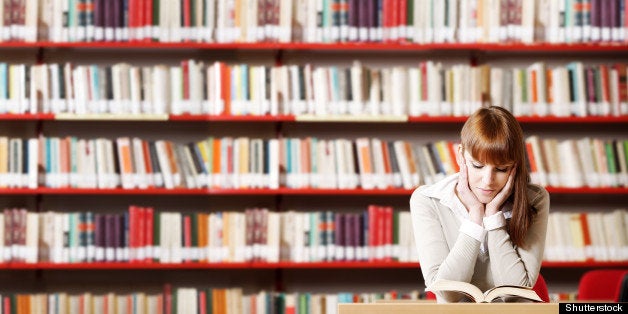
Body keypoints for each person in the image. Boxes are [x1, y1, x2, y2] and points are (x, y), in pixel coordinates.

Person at [410, 106, 549, 303]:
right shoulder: (428, 200)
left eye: (501, 169)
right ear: (460, 155)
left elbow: (515, 293)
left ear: (515, 166)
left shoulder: (535, 199)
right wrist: (475, 218)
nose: (487, 180)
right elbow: (447, 294)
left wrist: (493, 218)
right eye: (477, 166)